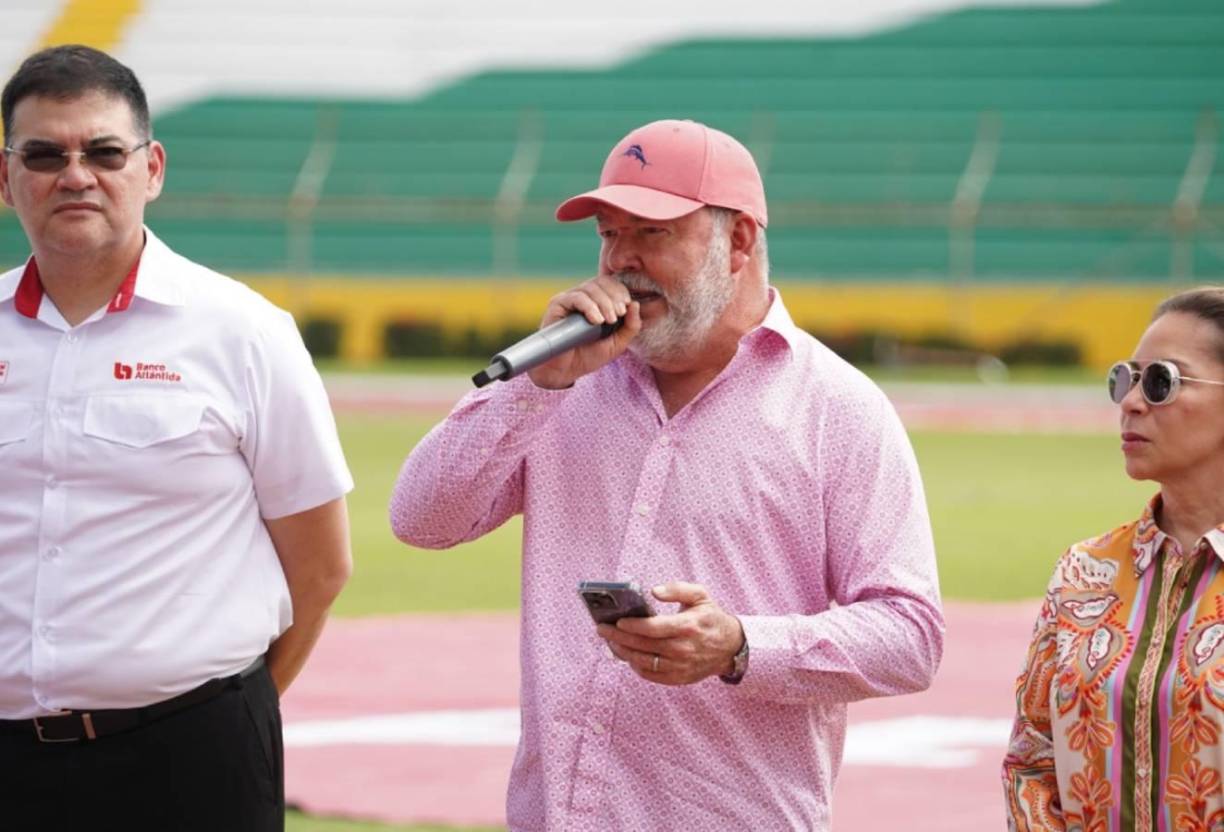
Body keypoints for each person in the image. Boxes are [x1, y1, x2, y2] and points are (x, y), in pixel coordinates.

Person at [390, 118, 944, 830]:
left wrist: (742, 645)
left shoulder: (840, 411)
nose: (621, 260)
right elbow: (422, 520)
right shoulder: (562, 384)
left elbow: (911, 636)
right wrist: (536, 385)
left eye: (652, 234)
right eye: (609, 234)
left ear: (739, 241)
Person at [0, 45, 353, 830]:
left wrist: (229, 706)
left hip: (189, 757)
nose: (75, 174)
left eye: (104, 151)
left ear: (151, 168)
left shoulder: (244, 332)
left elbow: (322, 565)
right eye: (44, 154)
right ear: (5, 177)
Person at [1003, 288, 1224, 831]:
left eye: (1161, 382)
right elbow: (1030, 763)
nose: (1129, 401)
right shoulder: (1084, 573)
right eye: (1126, 378)